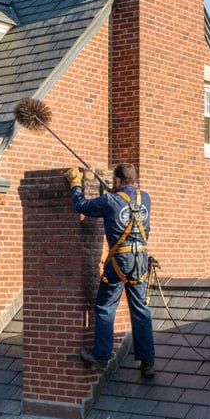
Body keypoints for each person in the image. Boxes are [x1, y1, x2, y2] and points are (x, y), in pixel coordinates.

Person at [63, 162, 155, 379]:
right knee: (141, 309)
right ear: (135, 181)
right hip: (140, 260)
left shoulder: (109, 200)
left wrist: (76, 184)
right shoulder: (146, 199)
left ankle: (102, 355)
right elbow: (125, 208)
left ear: (117, 181)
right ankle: (148, 361)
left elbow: (82, 206)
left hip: (119, 261)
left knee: (105, 307)